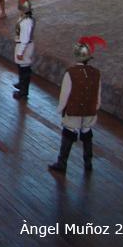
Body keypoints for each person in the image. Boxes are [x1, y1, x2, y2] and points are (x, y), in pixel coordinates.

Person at [48, 36, 105, 175]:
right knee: (86, 133)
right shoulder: (96, 73)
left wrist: (61, 108)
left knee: (68, 132)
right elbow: (98, 92)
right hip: (90, 110)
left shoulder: (71, 73)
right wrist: (96, 106)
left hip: (74, 110)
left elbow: (65, 93)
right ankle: (88, 162)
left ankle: (62, 163)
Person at [12, 0, 37, 100]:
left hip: (24, 47)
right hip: (23, 45)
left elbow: (25, 40)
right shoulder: (25, 19)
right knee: (22, 67)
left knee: (25, 68)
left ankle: (23, 91)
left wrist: (20, 52)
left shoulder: (26, 22)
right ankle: (21, 83)